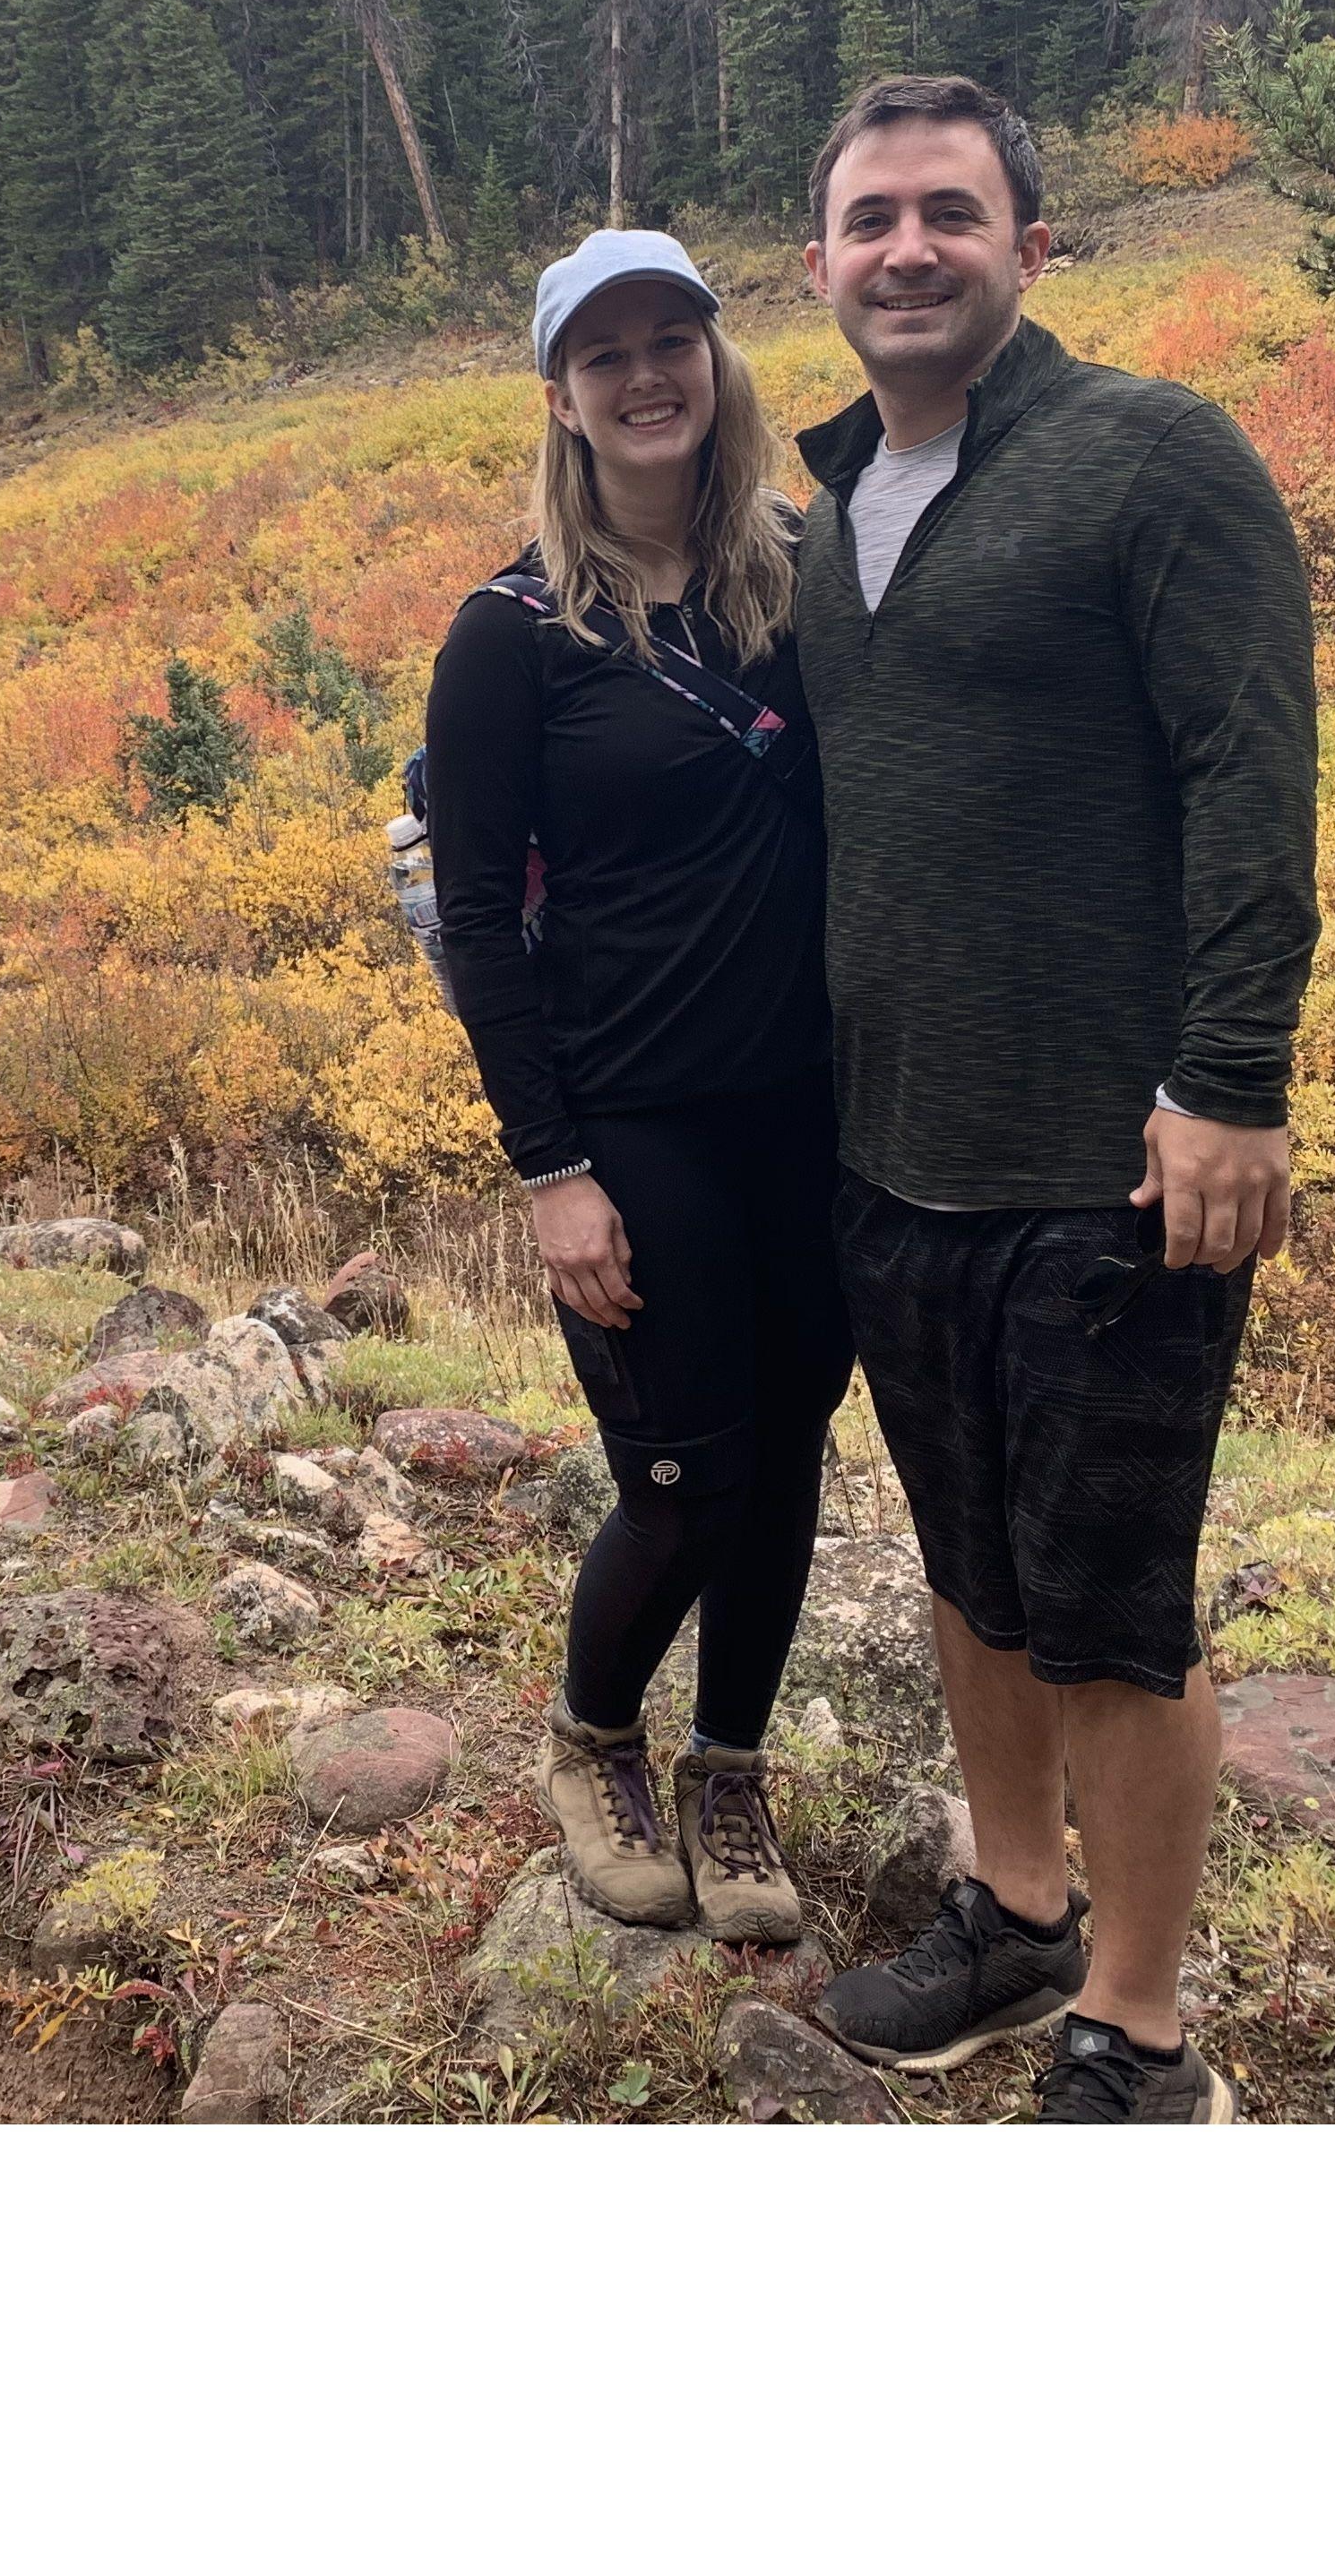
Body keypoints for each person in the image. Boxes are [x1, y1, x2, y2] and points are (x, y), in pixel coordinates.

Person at [793, 73, 1318, 2124]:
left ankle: (1141, 2025)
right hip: (889, 1154)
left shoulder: (1152, 457)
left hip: (1114, 1166)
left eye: (950, 211)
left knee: (1110, 1608)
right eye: (870, 219)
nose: (907, 249)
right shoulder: (832, 512)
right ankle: (1013, 1914)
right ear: (820, 262)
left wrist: (1231, 1081)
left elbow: (1251, 779)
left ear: (1032, 242)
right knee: (966, 1571)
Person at [421, 227, 853, 1942]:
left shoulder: (810, 584)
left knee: (794, 1452)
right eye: (608, 354)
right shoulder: (511, 636)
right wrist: (550, 1168)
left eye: (675, 337)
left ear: (718, 360)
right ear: (563, 397)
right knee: (687, 1473)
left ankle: (730, 1774)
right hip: (635, 1120)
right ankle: (593, 1738)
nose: (648, 372)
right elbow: (473, 919)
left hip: (817, 1112)